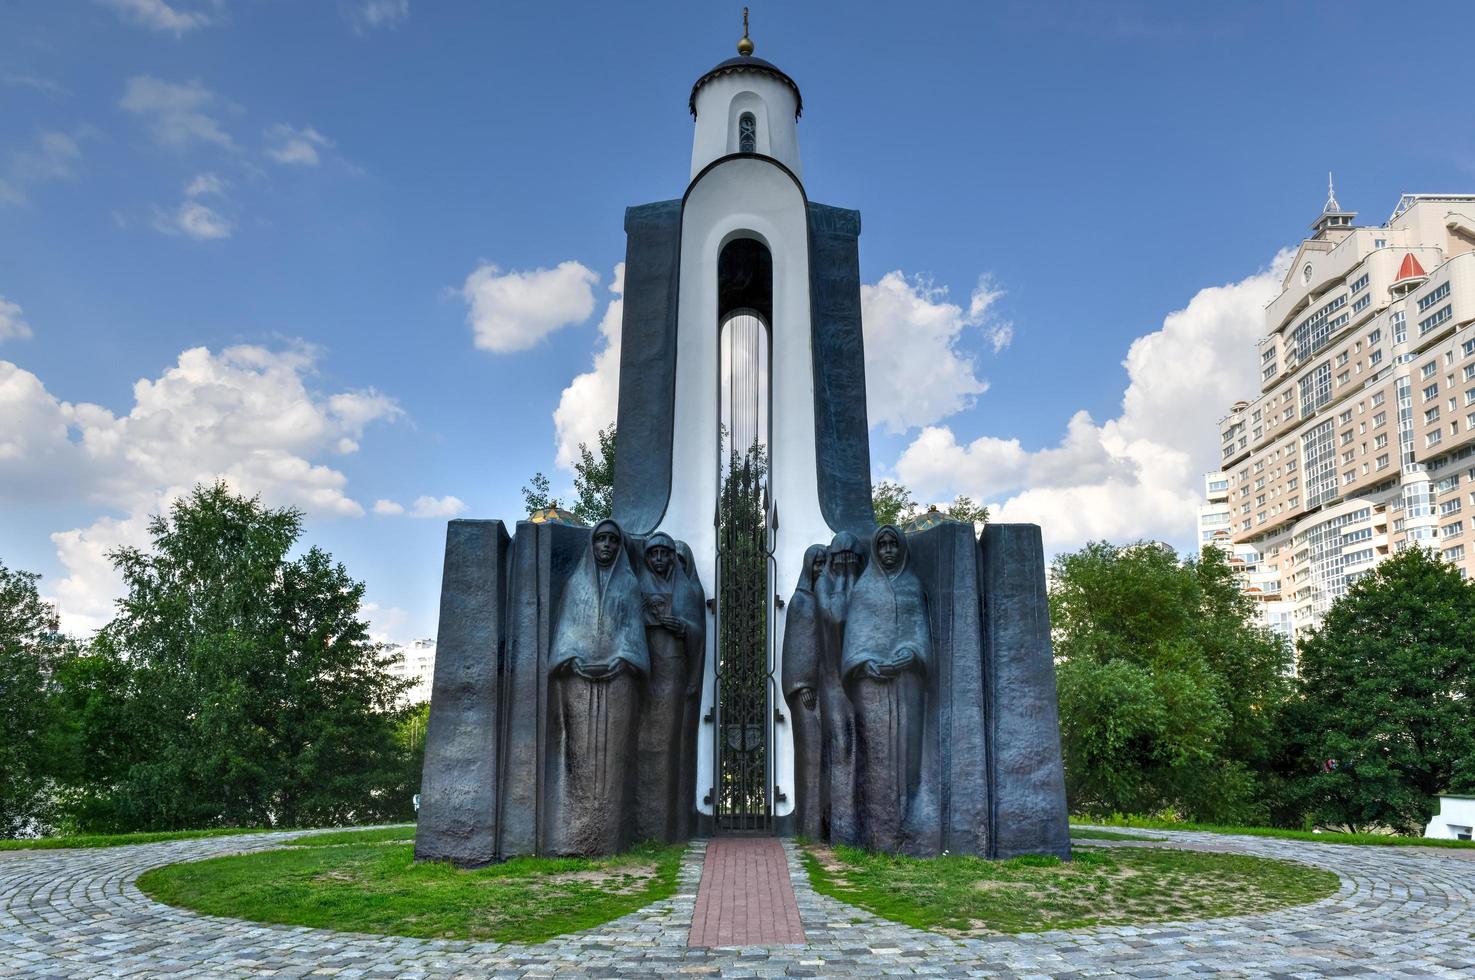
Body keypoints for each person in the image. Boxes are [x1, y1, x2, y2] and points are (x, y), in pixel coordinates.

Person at [547, 519, 649, 854]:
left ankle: (608, 837)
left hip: (619, 680)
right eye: (601, 539)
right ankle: (575, 837)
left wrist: (624, 657)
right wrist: (570, 658)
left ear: (620, 547)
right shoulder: (576, 584)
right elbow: (566, 629)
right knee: (580, 755)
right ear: (591, 545)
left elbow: (632, 628)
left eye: (613, 541)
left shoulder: (629, 585)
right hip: (578, 680)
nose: (606, 545)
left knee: (613, 757)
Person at [841, 524, 931, 852]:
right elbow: (856, 637)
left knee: (908, 752)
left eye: (894, 545)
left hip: (907, 682)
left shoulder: (912, 585)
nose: (889, 551)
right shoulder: (864, 590)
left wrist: (912, 652)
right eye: (883, 546)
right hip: (872, 686)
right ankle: (876, 831)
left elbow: (920, 630)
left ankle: (909, 827)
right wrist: (865, 661)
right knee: (876, 753)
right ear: (876, 552)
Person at [634, 532, 704, 841]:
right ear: (647, 557)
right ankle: (645, 824)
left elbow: (698, 631)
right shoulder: (636, 585)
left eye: (665, 553)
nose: (660, 559)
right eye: (654, 554)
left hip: (674, 669)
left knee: (669, 741)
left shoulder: (686, 589)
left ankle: (668, 824)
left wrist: (684, 627)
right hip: (646, 669)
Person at [816, 530, 866, 843]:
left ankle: (855, 825)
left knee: (861, 746)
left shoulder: (865, 584)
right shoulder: (825, 584)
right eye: (840, 558)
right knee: (841, 744)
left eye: (852, 558)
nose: (846, 563)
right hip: (833, 679)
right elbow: (836, 616)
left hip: (859, 678)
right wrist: (847, 580)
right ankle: (840, 827)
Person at [781, 544, 829, 839]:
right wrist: (802, 686)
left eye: (826, 564)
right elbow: (797, 649)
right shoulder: (801, 602)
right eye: (817, 564)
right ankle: (809, 826)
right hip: (807, 694)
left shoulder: (828, 599)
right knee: (811, 758)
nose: (821, 569)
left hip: (828, 688)